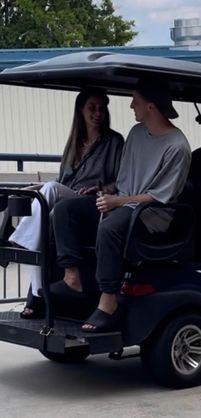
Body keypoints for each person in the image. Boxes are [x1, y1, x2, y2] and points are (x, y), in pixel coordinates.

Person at [52, 79, 192, 333]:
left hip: (151, 215)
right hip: (123, 203)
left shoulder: (178, 146)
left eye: (135, 101)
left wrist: (118, 201)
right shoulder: (137, 133)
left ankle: (108, 301)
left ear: (150, 107)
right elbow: (123, 182)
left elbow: (160, 197)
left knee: (110, 228)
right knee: (66, 210)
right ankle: (72, 278)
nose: (131, 106)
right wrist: (106, 192)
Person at [3, 87, 124, 318]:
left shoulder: (114, 142)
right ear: (80, 110)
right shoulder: (74, 143)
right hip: (68, 197)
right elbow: (61, 180)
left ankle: (17, 240)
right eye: (92, 108)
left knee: (48, 196)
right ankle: (38, 292)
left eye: (101, 108)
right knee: (41, 209)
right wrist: (35, 188)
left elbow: (122, 180)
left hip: (92, 202)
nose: (98, 113)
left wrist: (102, 188)